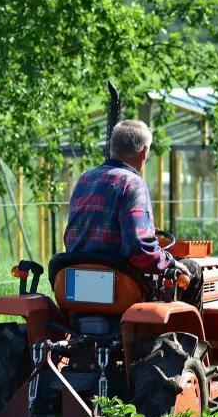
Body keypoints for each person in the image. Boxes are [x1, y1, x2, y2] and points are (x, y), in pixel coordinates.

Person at [63, 119, 203, 307]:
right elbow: (138, 248)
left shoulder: (84, 178)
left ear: (110, 145)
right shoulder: (132, 183)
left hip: (77, 277)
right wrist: (171, 263)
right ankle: (190, 334)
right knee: (193, 269)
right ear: (144, 152)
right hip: (121, 282)